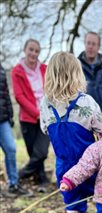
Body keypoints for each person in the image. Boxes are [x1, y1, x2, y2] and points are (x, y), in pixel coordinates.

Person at [40, 51, 102, 213]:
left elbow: (44, 128)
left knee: (72, 201)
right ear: (76, 74)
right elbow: (101, 130)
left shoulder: (45, 103)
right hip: (89, 164)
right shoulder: (87, 102)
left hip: (64, 165)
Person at [11, 39, 50, 192]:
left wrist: (45, 113)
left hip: (46, 117)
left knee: (41, 152)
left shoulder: (45, 69)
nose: (33, 53)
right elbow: (19, 96)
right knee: (33, 153)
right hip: (27, 119)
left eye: (36, 50)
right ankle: (42, 180)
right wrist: (36, 113)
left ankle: (20, 175)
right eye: (31, 50)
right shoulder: (17, 71)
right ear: (25, 50)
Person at [0, 63, 30, 196]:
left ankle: (13, 184)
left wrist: (10, 115)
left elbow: (6, 94)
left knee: (11, 149)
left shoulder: (1, 68)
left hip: (3, 118)